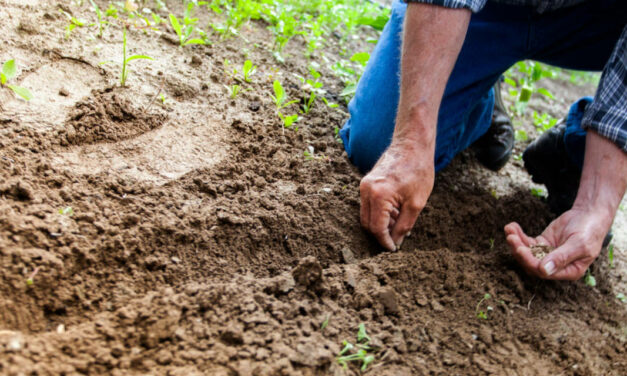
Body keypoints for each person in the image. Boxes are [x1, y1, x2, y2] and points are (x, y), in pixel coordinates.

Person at [339, 0, 626, 280]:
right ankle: (478, 99)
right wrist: (411, 143)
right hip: (489, 8)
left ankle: (577, 145)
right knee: (377, 144)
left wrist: (594, 206)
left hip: (599, 19)